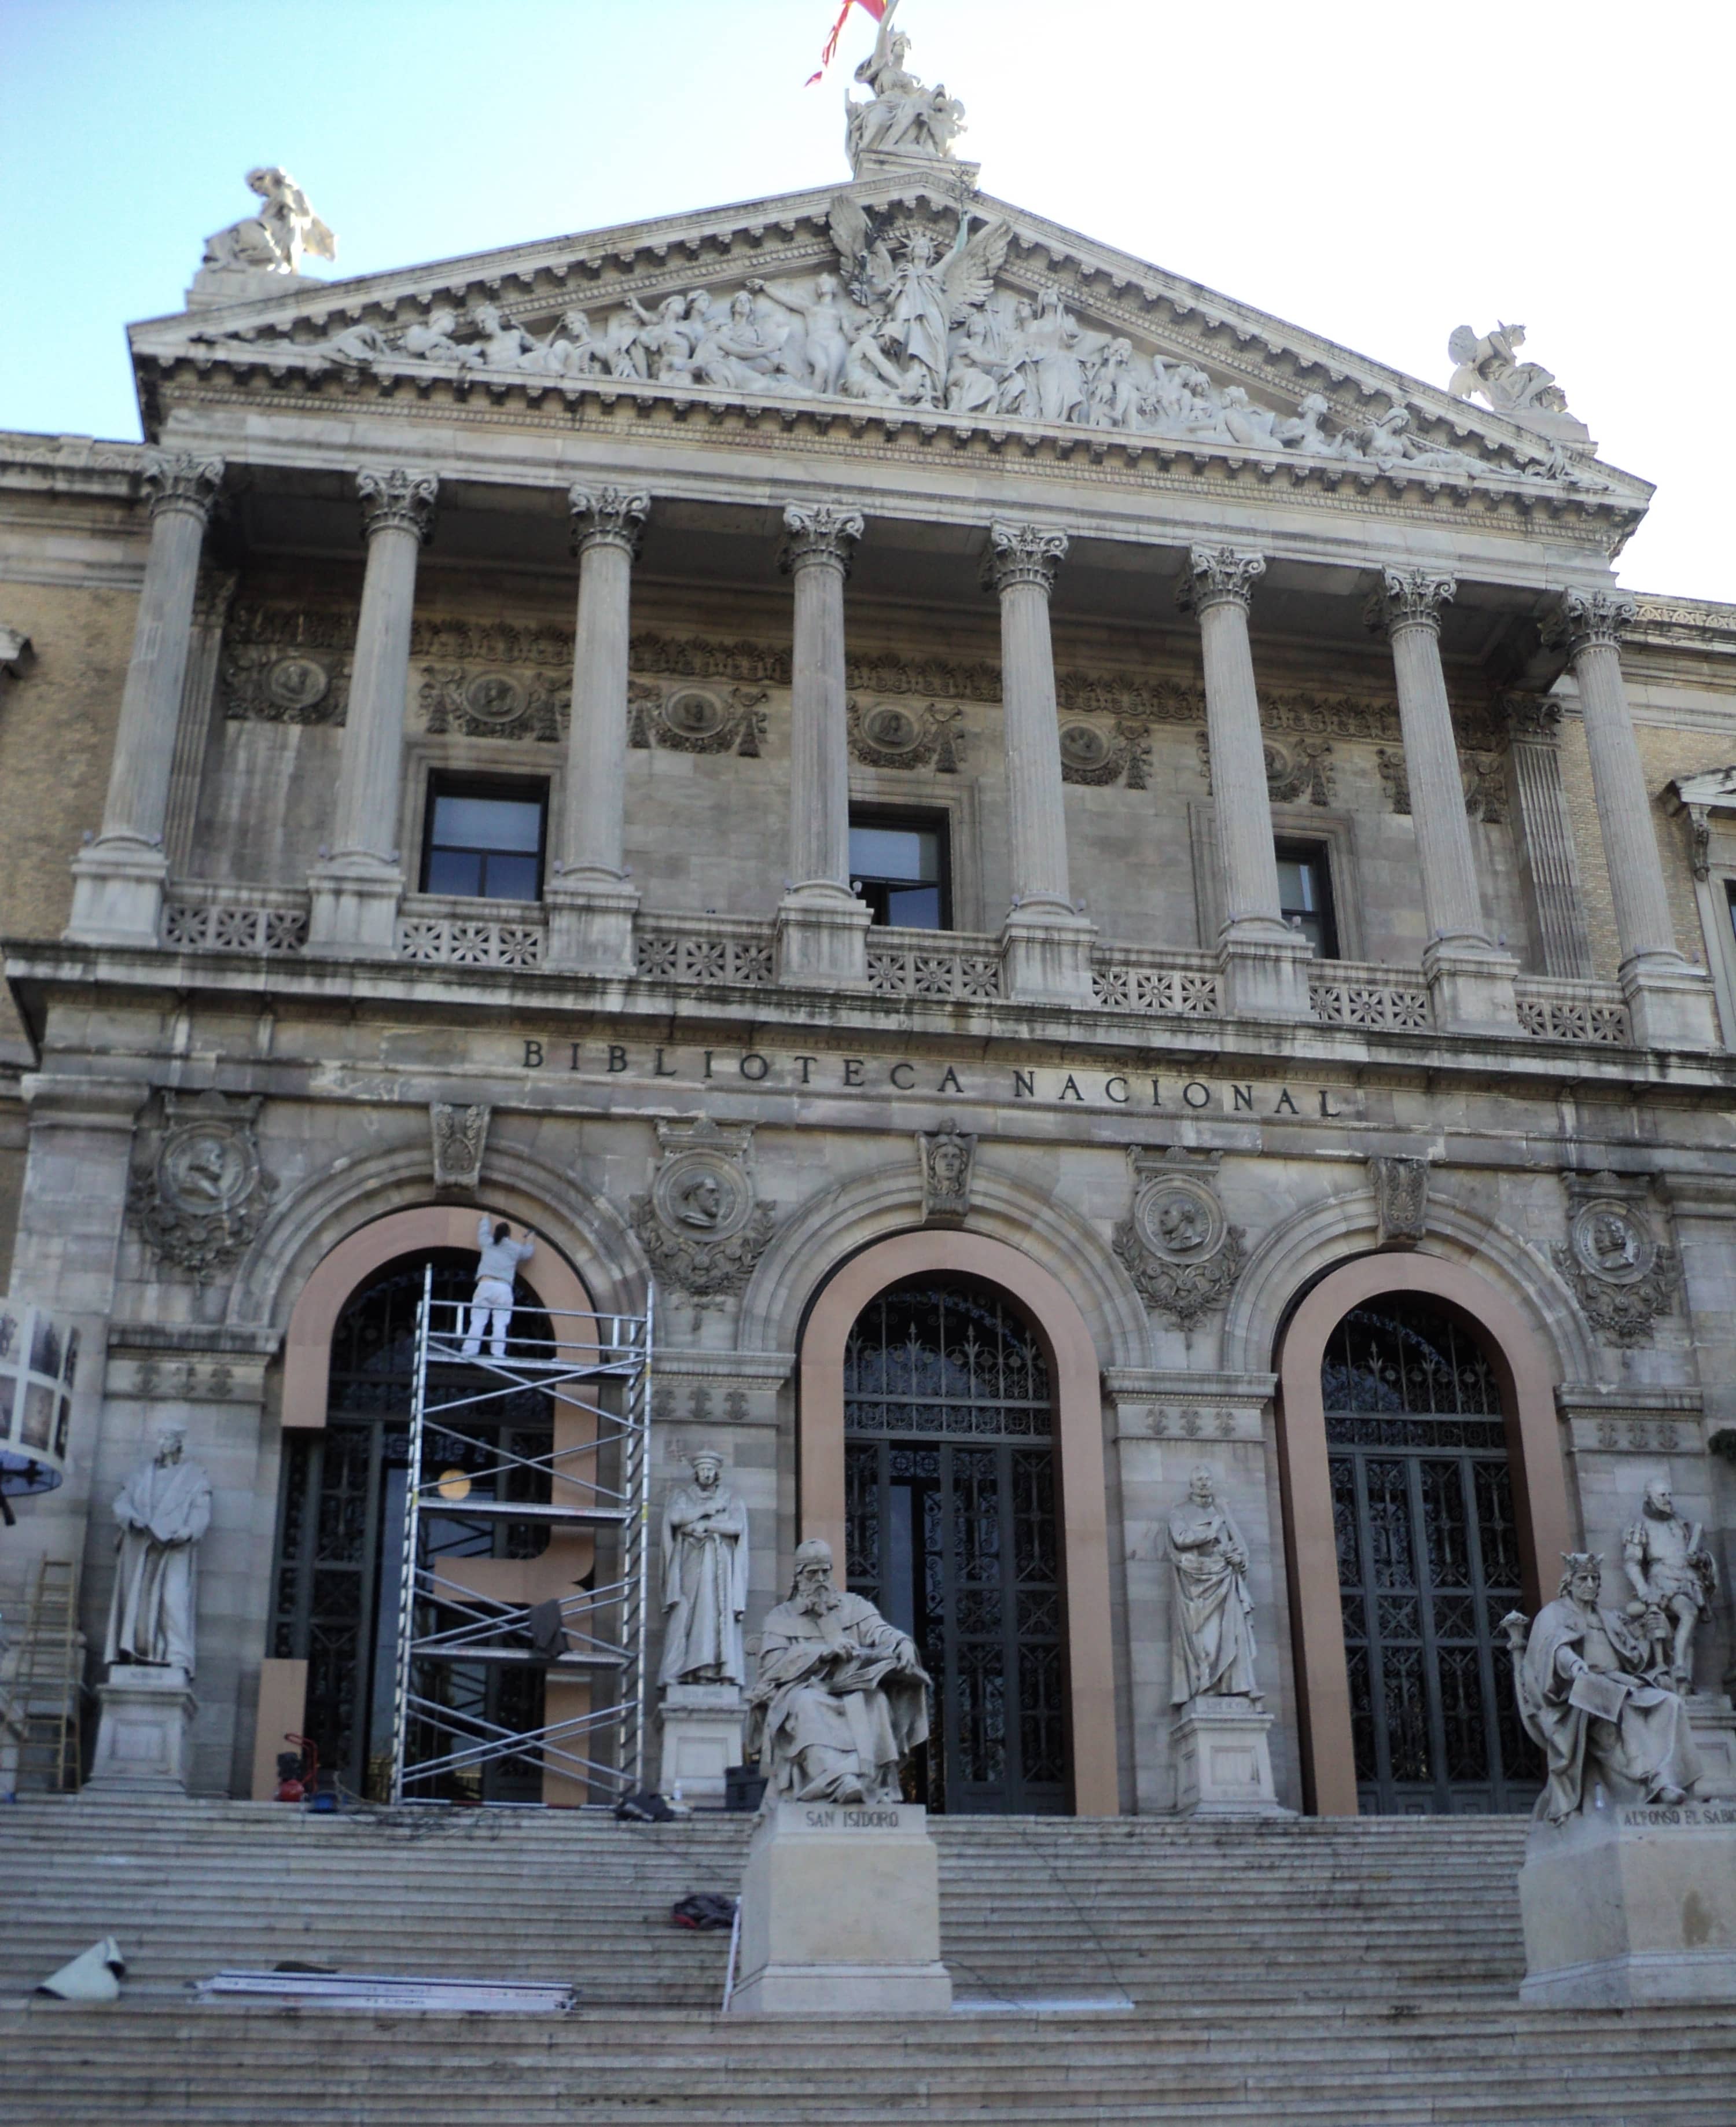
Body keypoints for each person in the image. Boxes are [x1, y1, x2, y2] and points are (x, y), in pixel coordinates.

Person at [1508, 1553, 1703, 1823]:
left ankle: (1676, 1779)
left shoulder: (1609, 1617)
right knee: (1619, 1705)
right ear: (1570, 1582)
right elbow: (1553, 1649)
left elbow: (1634, 1657)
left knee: (1670, 1703)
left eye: (1595, 1579)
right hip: (1575, 1693)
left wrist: (1651, 1632)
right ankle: (1657, 1781)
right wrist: (1574, 1665)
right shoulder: (1553, 1614)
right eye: (1583, 1579)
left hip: (1617, 1682)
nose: (1590, 1584)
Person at [745, 1537, 930, 1805]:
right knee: (806, 1704)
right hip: (804, 1691)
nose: (820, 1579)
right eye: (812, 1572)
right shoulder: (780, 1617)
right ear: (798, 1577)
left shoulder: (853, 1606)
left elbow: (880, 1631)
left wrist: (901, 1643)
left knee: (876, 1700)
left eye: (825, 1571)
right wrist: (821, 1654)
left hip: (853, 1689)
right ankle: (838, 1781)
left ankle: (871, 1784)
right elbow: (773, 1669)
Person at [104, 1427, 212, 1677]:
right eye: (160, 1438)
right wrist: (133, 1520)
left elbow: (201, 1511)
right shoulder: (140, 1474)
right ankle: (138, 1652)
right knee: (137, 1602)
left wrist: (187, 1532)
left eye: (168, 1438)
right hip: (141, 1545)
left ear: (178, 1443)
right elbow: (122, 1502)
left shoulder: (195, 1477)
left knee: (173, 1601)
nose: (163, 1443)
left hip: (174, 1549)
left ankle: (176, 1656)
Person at [1168, 1466, 1260, 1704]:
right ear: (1192, 1484)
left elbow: (1239, 1547)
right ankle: (1206, 1683)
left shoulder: (1222, 1512)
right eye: (1199, 1479)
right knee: (1206, 1637)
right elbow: (1181, 1540)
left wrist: (1238, 1559)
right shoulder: (1180, 1512)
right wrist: (1210, 1531)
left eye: (1207, 1479)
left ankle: (1238, 1685)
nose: (1204, 1483)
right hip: (1197, 1584)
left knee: (1234, 1631)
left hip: (1226, 1579)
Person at [659, 1451, 749, 1687]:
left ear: (716, 1472)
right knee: (686, 1614)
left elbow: (737, 1526)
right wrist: (706, 1511)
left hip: (719, 1566)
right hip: (690, 1565)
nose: (707, 1474)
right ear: (696, 1473)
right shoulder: (683, 1496)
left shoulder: (730, 1498)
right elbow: (675, 1518)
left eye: (710, 1470)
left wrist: (706, 1526)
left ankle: (715, 1671)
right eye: (703, 1470)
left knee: (715, 1614)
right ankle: (682, 1671)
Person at [1623, 1478, 1718, 1691]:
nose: (1667, 1499)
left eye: (1669, 1495)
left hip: (1688, 1579)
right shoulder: (1641, 1524)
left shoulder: (1680, 1523)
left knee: (1689, 1632)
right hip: (1663, 1581)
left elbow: (1699, 1555)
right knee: (1689, 1613)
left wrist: (1700, 1559)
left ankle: (1685, 1683)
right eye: (1662, 1495)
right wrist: (1643, 1590)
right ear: (1650, 1498)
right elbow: (1632, 1562)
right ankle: (1679, 1667)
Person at [461, 1215, 536, 1357]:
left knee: (477, 1321)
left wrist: (485, 1218)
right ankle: (498, 1353)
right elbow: (528, 1253)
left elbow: (483, 1232)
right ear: (509, 1234)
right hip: (503, 1288)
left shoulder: (488, 1243)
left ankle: (469, 1350)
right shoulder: (514, 1248)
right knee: (500, 1323)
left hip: (485, 1285)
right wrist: (530, 1236)